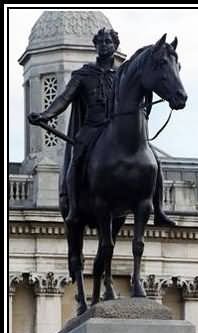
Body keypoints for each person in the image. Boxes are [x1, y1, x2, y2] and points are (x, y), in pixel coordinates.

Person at [28, 27, 175, 226]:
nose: (105, 46)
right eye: (101, 42)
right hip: (92, 128)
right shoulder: (83, 75)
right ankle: (72, 205)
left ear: (115, 46)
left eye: (109, 42)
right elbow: (64, 98)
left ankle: (159, 209)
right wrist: (45, 114)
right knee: (77, 156)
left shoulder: (121, 76)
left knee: (153, 160)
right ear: (95, 46)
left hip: (115, 128)